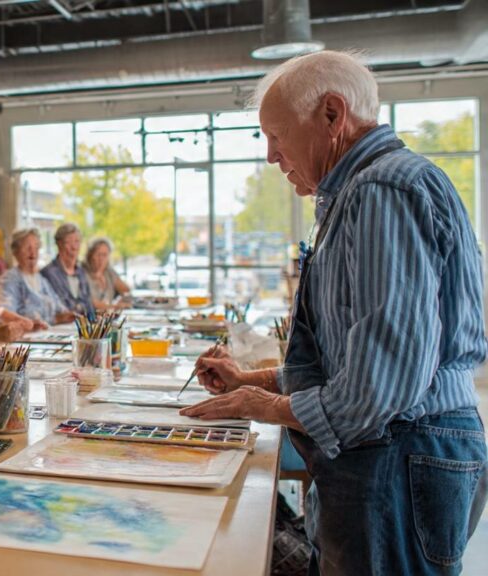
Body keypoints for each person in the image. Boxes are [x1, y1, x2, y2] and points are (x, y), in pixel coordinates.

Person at [180, 51, 487, 575]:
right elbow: (355, 360)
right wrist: (252, 380)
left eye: (276, 136)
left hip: (398, 458)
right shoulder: (365, 190)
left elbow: (376, 389)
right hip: (401, 453)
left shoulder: (380, 190)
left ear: (331, 115)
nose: (272, 157)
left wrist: (263, 405)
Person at [0, 228, 73, 327]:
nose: (33, 252)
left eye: (36, 247)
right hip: (25, 338)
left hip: (47, 335)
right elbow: (3, 312)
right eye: (27, 247)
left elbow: (59, 308)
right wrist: (29, 324)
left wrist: (68, 316)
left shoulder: (41, 279)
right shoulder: (10, 279)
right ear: (15, 251)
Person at [40, 222, 94, 319]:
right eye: (69, 242)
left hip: (84, 328)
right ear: (59, 244)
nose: (74, 247)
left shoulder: (81, 272)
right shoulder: (48, 273)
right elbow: (51, 310)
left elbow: (89, 306)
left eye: (77, 241)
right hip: (59, 329)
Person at [84, 237, 131, 309]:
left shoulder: (109, 272)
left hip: (108, 317)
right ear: (90, 255)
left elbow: (126, 291)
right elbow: (89, 302)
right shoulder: (82, 273)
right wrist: (114, 307)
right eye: (98, 254)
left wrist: (122, 299)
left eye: (104, 255)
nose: (101, 259)